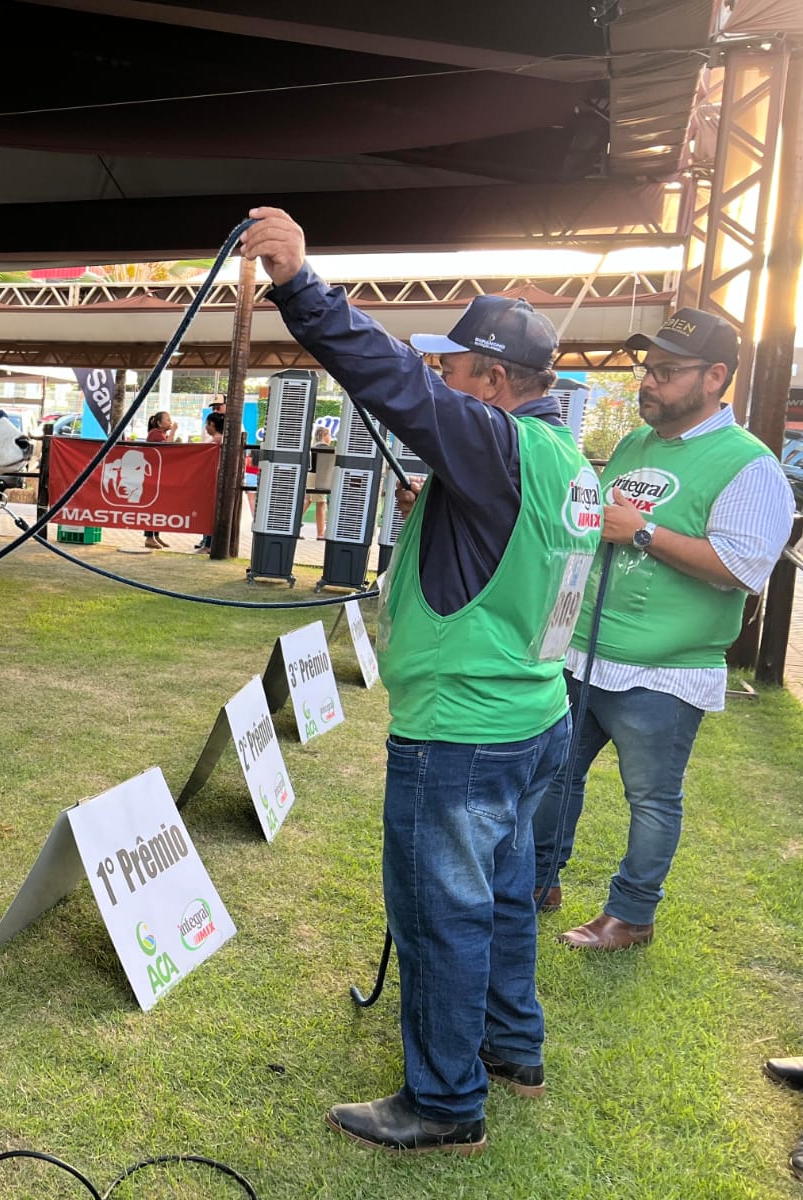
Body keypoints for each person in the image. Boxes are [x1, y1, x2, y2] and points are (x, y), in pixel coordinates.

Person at [243, 206, 602, 1155]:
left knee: (443, 914)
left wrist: (299, 286)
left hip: (464, 730)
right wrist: (443, 502)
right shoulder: (561, 456)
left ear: (490, 379)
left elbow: (391, 381)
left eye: (455, 366)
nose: (440, 375)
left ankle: (443, 1103)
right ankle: (510, 1050)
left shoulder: (490, 441)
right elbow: (511, 550)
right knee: (507, 895)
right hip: (533, 717)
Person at [530, 309, 793, 951]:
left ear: (715, 377)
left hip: (664, 671)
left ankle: (631, 915)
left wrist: (642, 531)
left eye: (667, 372)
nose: (649, 382)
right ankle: (538, 880)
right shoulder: (632, 445)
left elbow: (743, 565)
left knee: (650, 799)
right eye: (649, 369)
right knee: (554, 775)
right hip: (584, 651)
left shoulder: (748, 465)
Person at [141, 410, 174, 549]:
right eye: (167, 420)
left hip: (158, 474)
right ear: (159, 423)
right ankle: (149, 537)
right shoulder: (156, 434)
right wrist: (174, 431)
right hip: (152, 475)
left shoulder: (161, 434)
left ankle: (155, 535)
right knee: (152, 506)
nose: (170, 422)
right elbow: (168, 446)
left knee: (158, 506)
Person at [195, 411, 226, 551]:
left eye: (207, 424)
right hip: (211, 479)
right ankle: (206, 542)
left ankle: (208, 544)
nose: (205, 427)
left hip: (212, 480)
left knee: (210, 512)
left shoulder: (216, 440)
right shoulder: (218, 439)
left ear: (212, 424)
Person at [309, 424, 334, 537]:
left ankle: (320, 533)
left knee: (310, 501)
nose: (331, 438)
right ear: (324, 435)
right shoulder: (323, 447)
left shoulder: (315, 445)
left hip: (312, 477)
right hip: (318, 478)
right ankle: (320, 534)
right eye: (329, 435)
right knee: (320, 503)